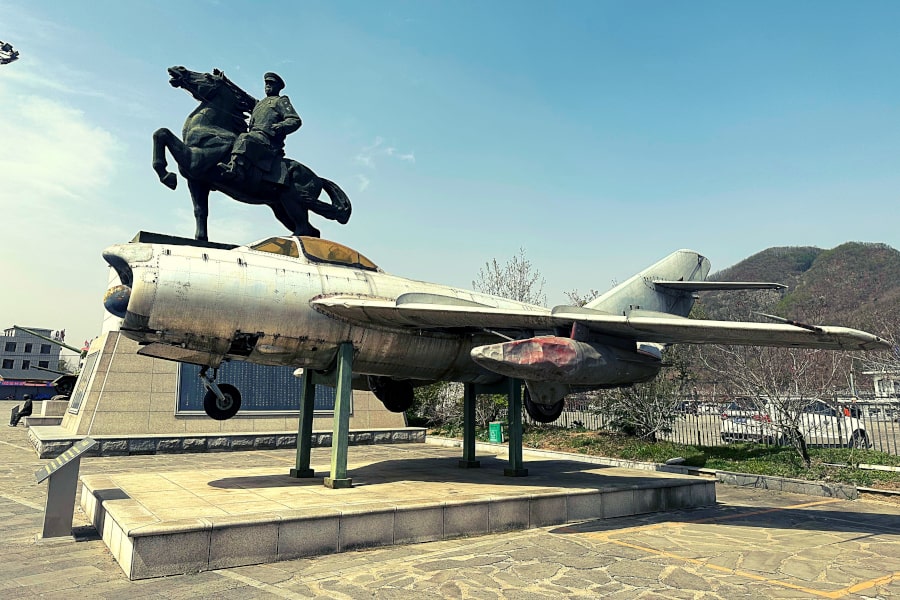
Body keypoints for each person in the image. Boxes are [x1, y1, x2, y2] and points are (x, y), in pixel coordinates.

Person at [218, 72, 301, 185]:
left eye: (271, 83)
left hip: (268, 141)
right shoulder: (259, 103)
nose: (267, 85)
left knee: (244, 137)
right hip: (255, 138)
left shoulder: (281, 100)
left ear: (278, 87)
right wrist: (226, 82)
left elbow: (295, 120)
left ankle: (235, 169)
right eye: (266, 83)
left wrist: (281, 126)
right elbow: (243, 95)